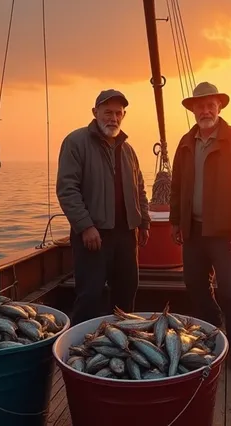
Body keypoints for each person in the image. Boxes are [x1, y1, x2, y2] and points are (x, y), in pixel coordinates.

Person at [169, 82, 231, 371]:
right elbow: (176, 187)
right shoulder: (185, 142)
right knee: (194, 285)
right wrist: (176, 221)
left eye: (210, 105)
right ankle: (212, 330)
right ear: (193, 110)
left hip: (226, 234)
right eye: (200, 106)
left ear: (219, 107)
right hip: (193, 232)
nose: (205, 110)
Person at [56, 89, 151, 326]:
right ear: (94, 112)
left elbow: (139, 189)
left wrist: (144, 223)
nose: (113, 117)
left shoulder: (128, 150)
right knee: (90, 296)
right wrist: (86, 226)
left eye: (118, 113)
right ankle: (80, 350)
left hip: (126, 236)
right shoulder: (75, 142)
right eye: (107, 112)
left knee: (127, 292)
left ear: (124, 115)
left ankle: (122, 345)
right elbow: (67, 189)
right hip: (94, 236)